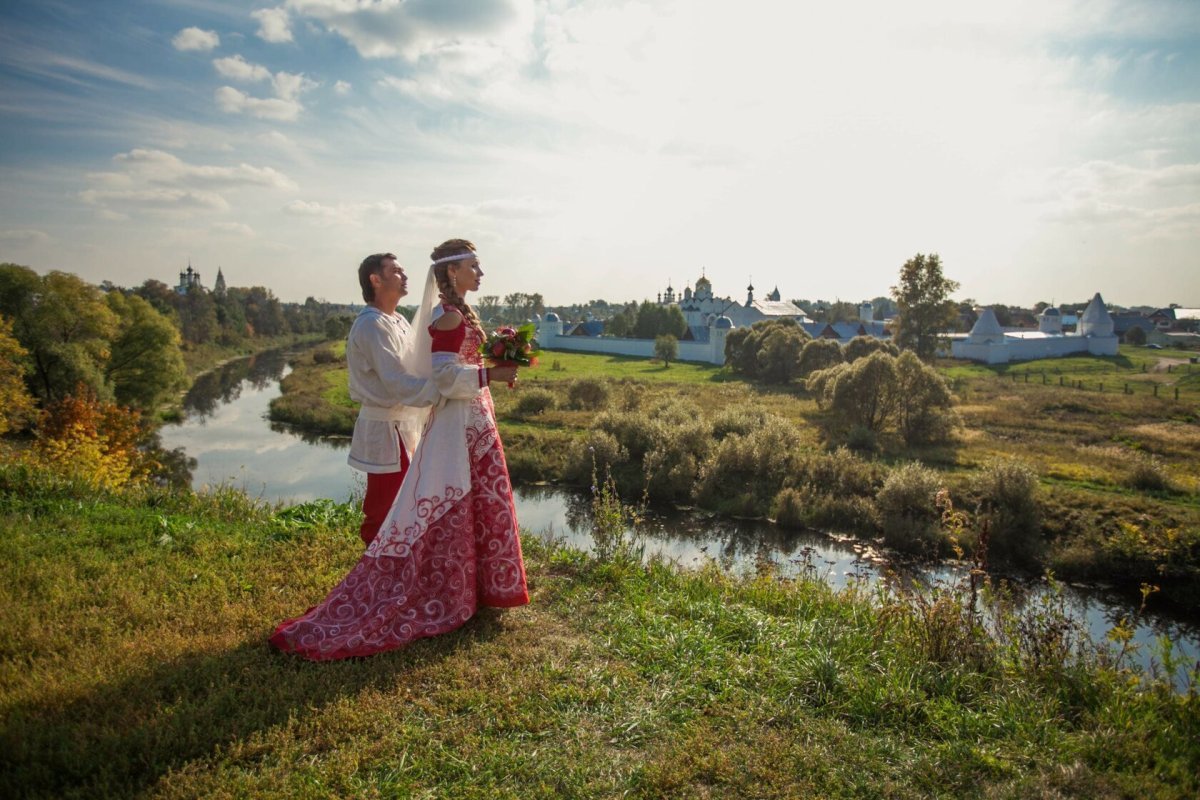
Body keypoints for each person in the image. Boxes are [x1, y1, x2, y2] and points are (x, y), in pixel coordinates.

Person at [270, 239, 528, 660]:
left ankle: (456, 582)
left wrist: (487, 373)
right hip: (400, 421)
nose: (480, 274)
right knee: (392, 512)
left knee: (429, 507)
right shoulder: (376, 324)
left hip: (443, 419)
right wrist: (481, 379)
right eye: (472, 266)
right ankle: (391, 579)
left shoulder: (407, 321)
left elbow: (429, 369)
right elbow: (426, 379)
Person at [347, 252, 439, 546]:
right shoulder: (372, 325)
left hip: (403, 424)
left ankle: (392, 565)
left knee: (403, 502)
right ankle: (372, 575)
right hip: (386, 426)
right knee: (382, 506)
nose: (405, 275)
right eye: (396, 271)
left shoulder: (396, 320)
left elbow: (415, 366)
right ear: (376, 280)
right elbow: (398, 381)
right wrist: (444, 389)